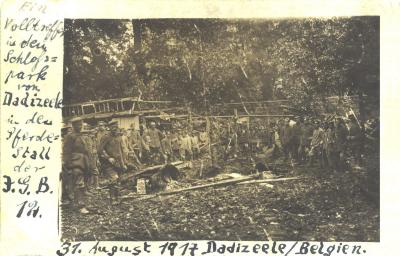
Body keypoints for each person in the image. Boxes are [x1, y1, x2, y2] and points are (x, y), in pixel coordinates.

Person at [62, 117, 91, 213]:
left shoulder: (81, 136)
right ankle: (80, 206)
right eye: (77, 125)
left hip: (83, 162)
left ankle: (76, 202)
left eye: (81, 125)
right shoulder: (70, 137)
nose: (80, 126)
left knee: (81, 184)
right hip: (75, 163)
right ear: (73, 126)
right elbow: (66, 152)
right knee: (79, 183)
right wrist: (68, 165)